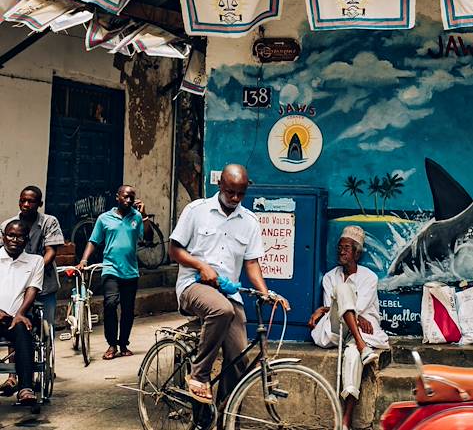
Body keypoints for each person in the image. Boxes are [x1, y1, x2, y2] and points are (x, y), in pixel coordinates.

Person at [168, 163, 289, 405]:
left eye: (241, 193)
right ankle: (199, 375)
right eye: (230, 191)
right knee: (220, 310)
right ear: (220, 185)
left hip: (229, 293)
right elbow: (174, 250)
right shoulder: (196, 211)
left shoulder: (250, 221)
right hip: (193, 286)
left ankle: (225, 416)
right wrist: (201, 266)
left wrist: (266, 294)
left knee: (239, 357)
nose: (235, 198)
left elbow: (252, 264)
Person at [309, 225, 387, 430]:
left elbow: (356, 307)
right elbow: (339, 309)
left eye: (347, 248)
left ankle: (345, 421)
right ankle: (363, 347)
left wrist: (324, 309)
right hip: (339, 330)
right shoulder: (329, 277)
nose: (341, 252)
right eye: (340, 247)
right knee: (342, 289)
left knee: (352, 356)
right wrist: (325, 309)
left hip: (357, 333)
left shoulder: (369, 277)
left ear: (357, 253)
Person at [1, 186, 63, 395]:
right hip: (13, 284)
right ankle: (13, 376)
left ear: (39, 204)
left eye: (32, 201)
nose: (27, 205)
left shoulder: (48, 222)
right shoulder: (7, 225)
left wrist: (32, 269)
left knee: (40, 327)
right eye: (23, 201)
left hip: (41, 283)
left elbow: (51, 251)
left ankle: (34, 372)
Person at [79, 185, 150, 360]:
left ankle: (123, 343)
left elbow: (148, 238)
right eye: (125, 197)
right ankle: (112, 344)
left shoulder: (137, 217)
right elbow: (94, 241)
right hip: (110, 268)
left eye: (131, 198)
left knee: (127, 310)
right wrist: (84, 259)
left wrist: (145, 215)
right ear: (117, 197)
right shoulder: (104, 218)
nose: (128, 200)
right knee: (110, 304)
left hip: (131, 271)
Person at [0, 220, 44, 406]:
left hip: (17, 316)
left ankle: (25, 387)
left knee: (22, 330)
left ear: (26, 240)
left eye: (20, 237)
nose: (15, 240)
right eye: (11, 235)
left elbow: (32, 289)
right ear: (3, 237)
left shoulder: (36, 261)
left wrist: (20, 313)